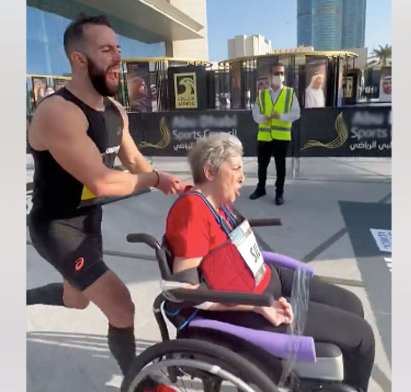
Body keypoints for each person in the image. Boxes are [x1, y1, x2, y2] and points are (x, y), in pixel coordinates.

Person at [25, 12, 184, 390]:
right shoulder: (57, 112)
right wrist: (153, 179)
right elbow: (102, 181)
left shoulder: (114, 111)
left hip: (87, 223)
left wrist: (174, 185)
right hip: (57, 228)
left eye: (118, 49)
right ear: (78, 60)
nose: (117, 58)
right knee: (121, 305)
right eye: (106, 50)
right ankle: (143, 383)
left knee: (76, 299)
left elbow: (133, 162)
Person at [163, 133, 376, 391]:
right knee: (363, 337)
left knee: (351, 304)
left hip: (266, 278)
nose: (243, 176)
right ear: (210, 172)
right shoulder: (192, 211)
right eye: (237, 168)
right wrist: (255, 307)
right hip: (255, 303)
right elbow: (185, 293)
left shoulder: (217, 203)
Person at [249, 63, 301, 206]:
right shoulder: (262, 94)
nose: (279, 76)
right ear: (271, 76)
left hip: (282, 137)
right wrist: (262, 118)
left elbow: (296, 113)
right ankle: (261, 189)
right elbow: (255, 113)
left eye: (282, 74)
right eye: (277, 73)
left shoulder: (290, 93)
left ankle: (279, 193)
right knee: (262, 165)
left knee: (280, 166)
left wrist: (280, 116)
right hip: (265, 136)